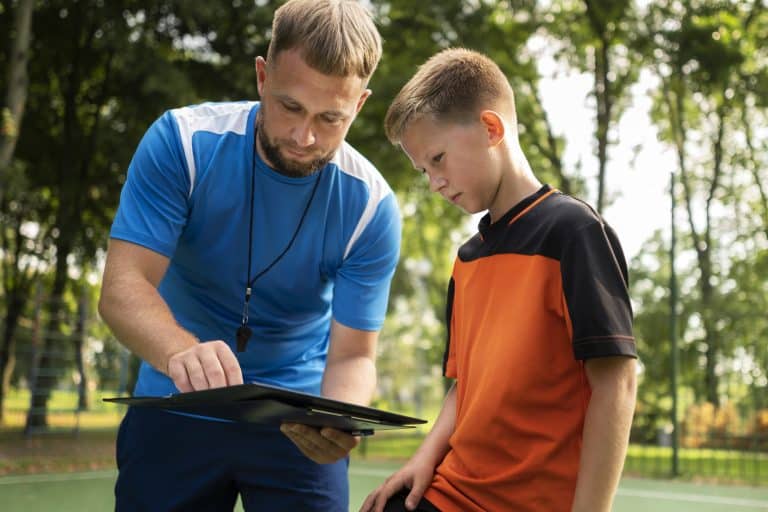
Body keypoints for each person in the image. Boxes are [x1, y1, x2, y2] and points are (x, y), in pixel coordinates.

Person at [98, 1, 401, 510]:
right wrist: (179, 352)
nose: (305, 137)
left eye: (331, 118)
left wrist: (339, 416)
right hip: (177, 401)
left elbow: (353, 353)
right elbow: (122, 288)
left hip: (295, 427)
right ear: (262, 76)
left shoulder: (371, 207)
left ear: (360, 106)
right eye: (289, 107)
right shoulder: (183, 144)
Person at [361, 48, 638, 512]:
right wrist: (423, 459)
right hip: (454, 492)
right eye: (424, 170)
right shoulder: (468, 258)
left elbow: (617, 383)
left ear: (491, 129)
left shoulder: (574, 232)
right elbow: (464, 384)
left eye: (438, 158)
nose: (434, 182)